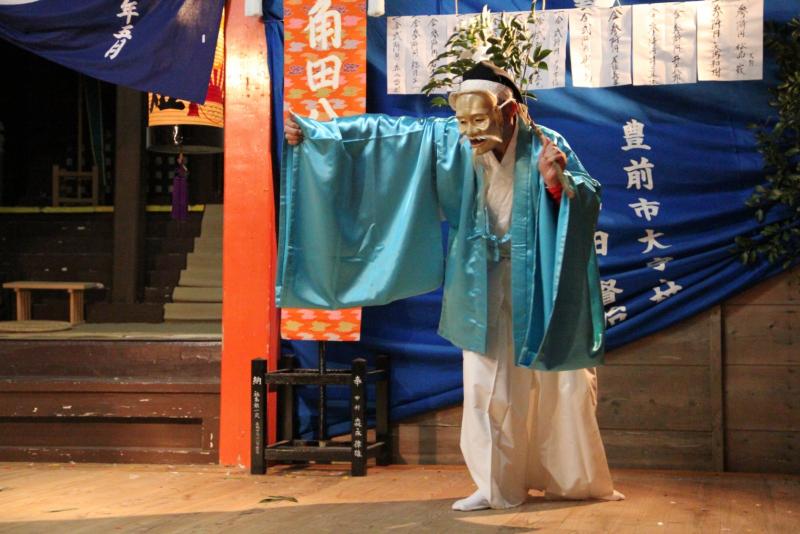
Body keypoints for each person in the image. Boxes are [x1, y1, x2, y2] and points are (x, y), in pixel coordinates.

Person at [282, 62, 623, 510]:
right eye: (463, 120)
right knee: (486, 384)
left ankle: (574, 478)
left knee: (562, 383)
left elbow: (590, 197)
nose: (470, 131)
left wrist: (556, 182)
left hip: (540, 280)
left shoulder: (547, 145)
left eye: (480, 120)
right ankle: (495, 484)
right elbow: (385, 137)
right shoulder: (449, 141)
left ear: (510, 110)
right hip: (479, 280)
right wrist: (320, 136)